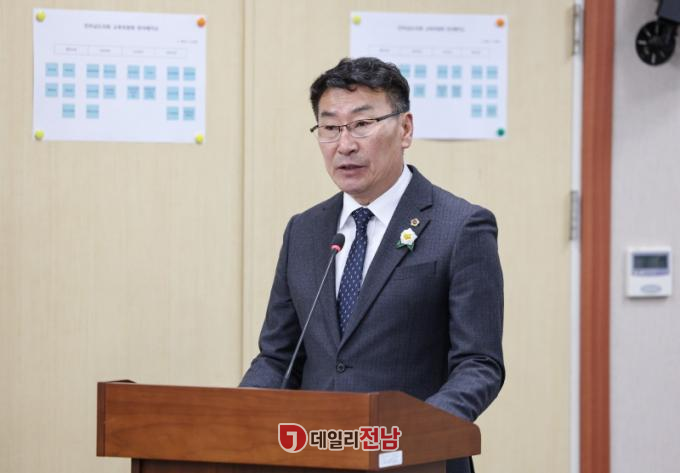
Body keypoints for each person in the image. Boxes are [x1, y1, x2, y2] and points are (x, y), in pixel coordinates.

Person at [240, 57, 504, 473]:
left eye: (362, 124)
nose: (344, 144)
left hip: (418, 460)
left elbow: (479, 364)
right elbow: (278, 358)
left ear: (405, 129)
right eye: (330, 128)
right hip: (316, 457)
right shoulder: (304, 231)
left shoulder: (460, 226)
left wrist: (418, 432)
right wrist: (237, 418)